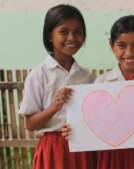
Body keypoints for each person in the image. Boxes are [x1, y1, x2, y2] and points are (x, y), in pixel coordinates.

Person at [61, 15, 134, 169]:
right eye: (121, 45)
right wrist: (75, 130)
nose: (129, 53)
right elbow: (93, 121)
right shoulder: (102, 82)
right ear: (112, 46)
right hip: (110, 156)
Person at [18, 4, 94, 169]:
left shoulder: (86, 76)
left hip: (83, 146)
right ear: (49, 36)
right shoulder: (39, 75)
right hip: (53, 148)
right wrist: (53, 107)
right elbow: (30, 124)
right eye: (63, 31)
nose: (72, 38)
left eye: (77, 32)